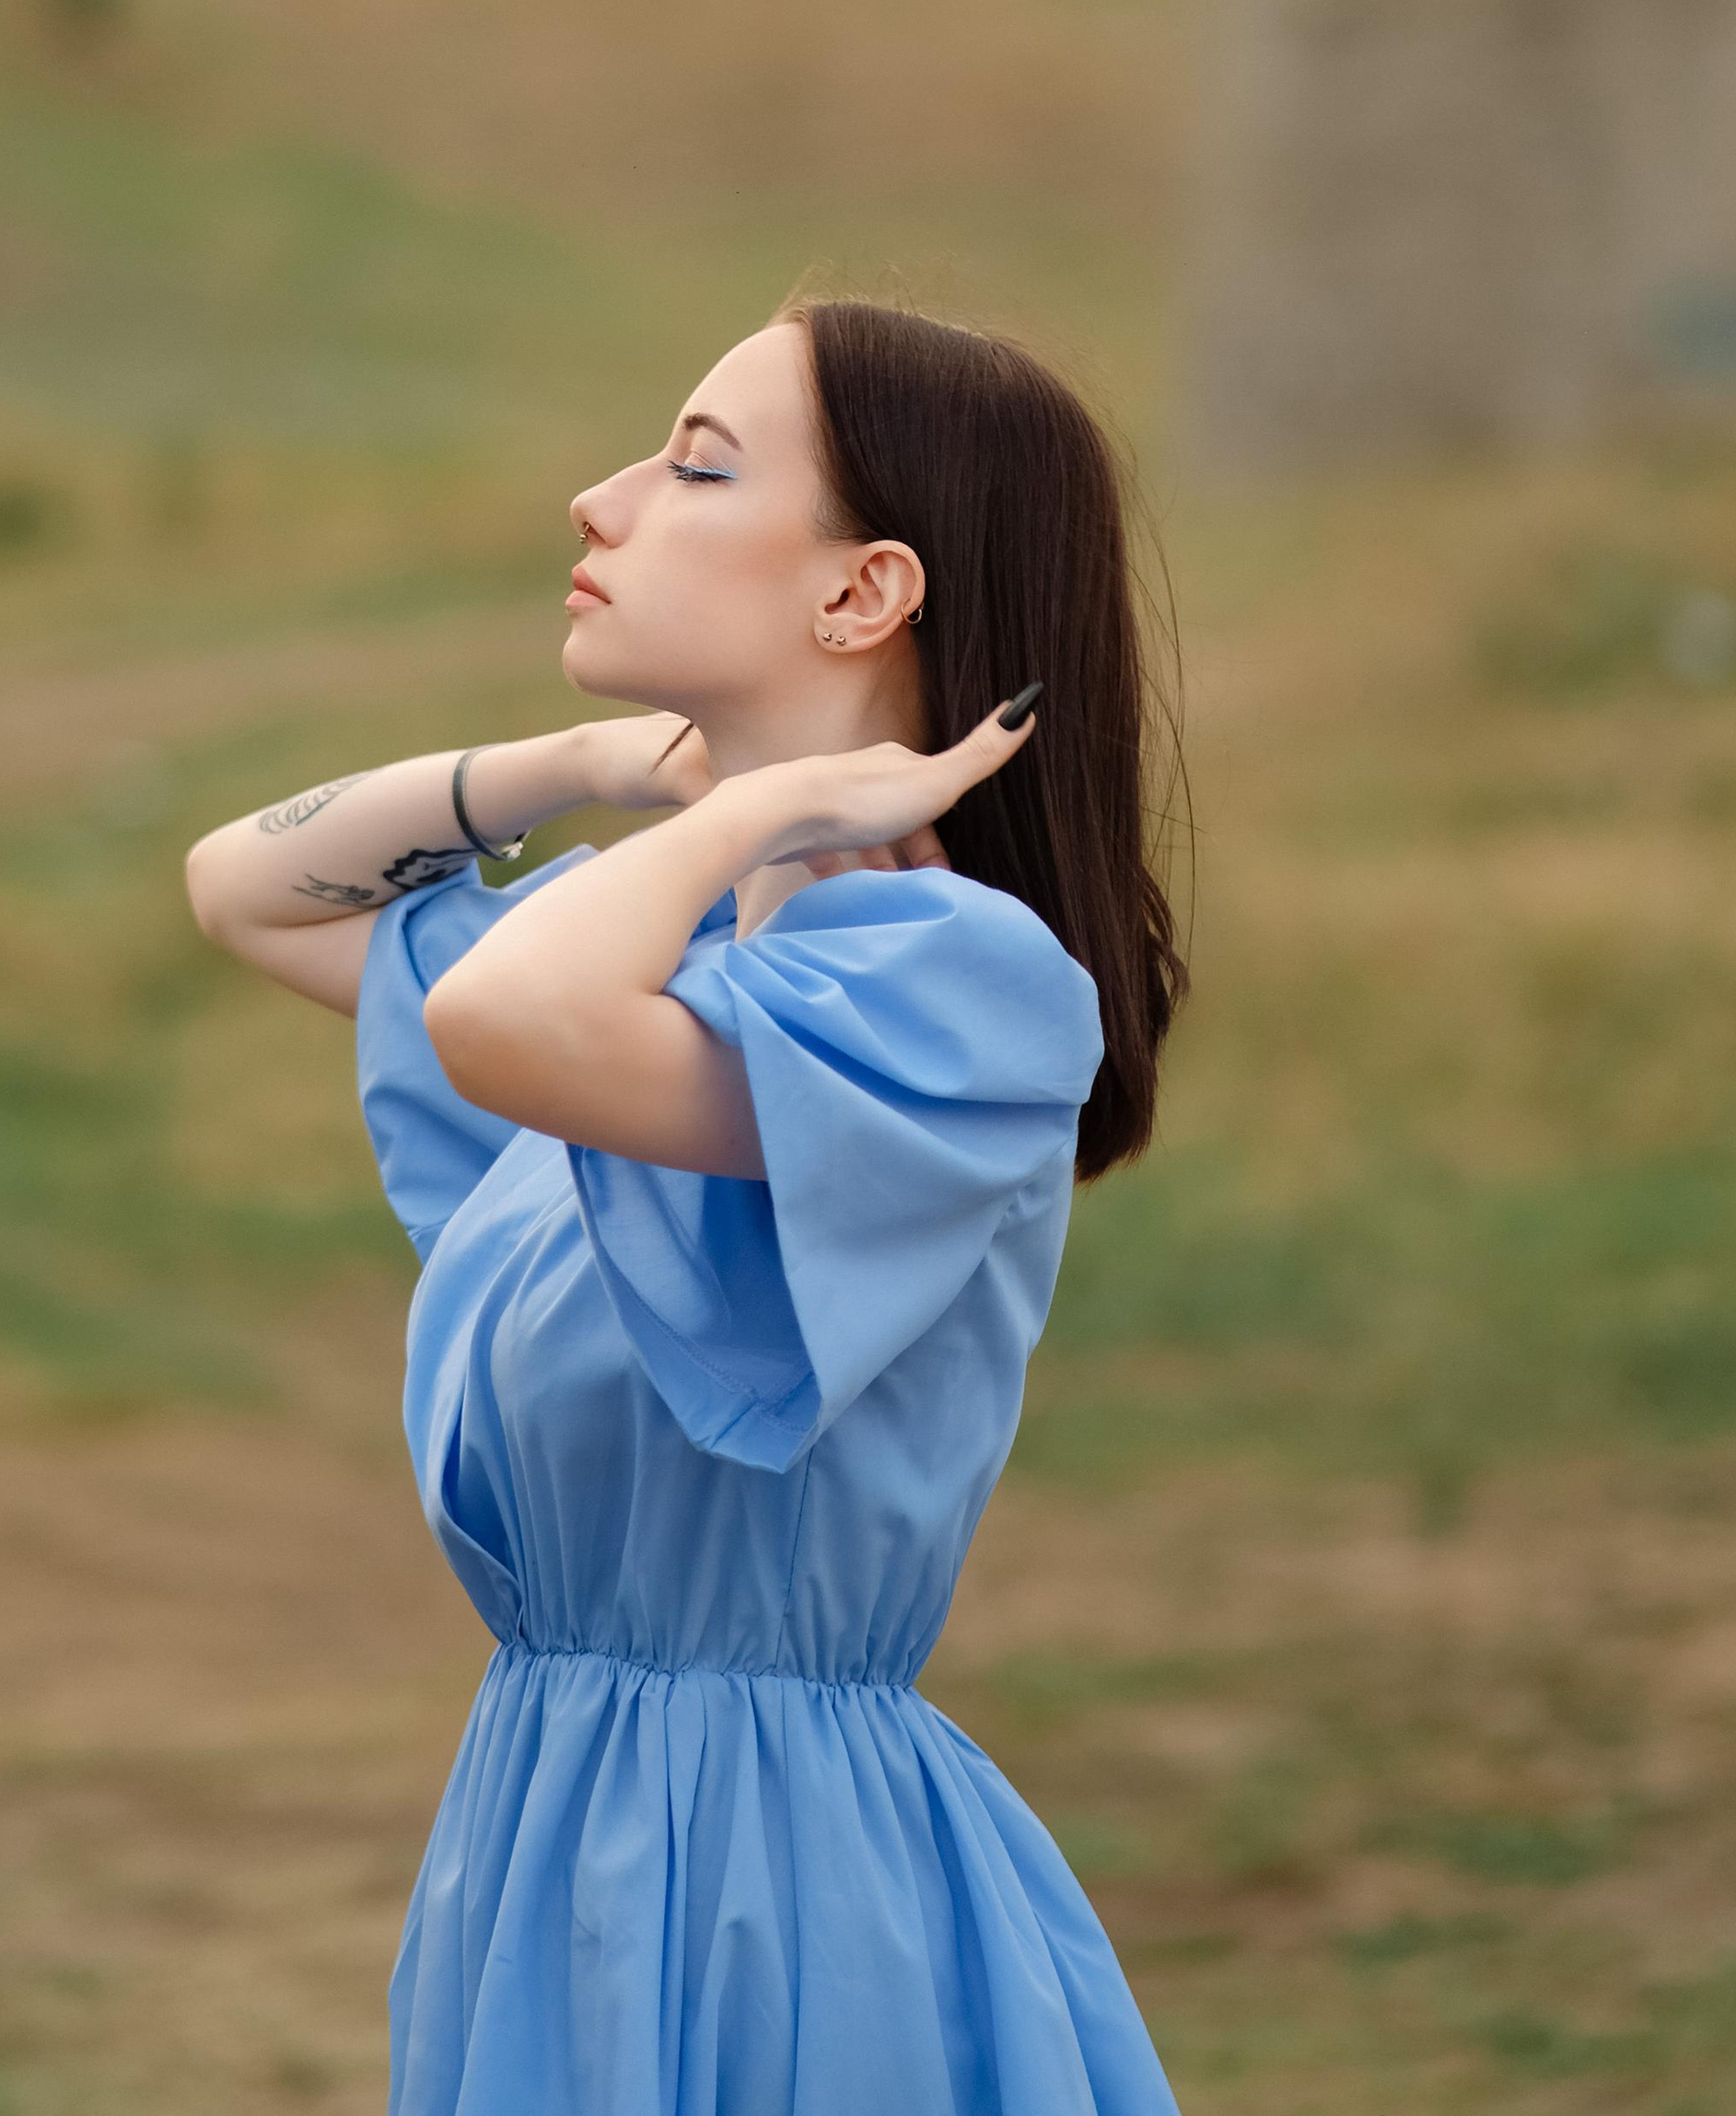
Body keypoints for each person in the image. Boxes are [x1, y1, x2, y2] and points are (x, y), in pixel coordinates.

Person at [184, 295, 1187, 2116]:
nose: (598, 499)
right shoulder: (664, 955)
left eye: (693, 466)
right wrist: (597, 772)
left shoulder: (948, 981)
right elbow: (250, 886)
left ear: (860, 593)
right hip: (548, 1834)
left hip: (771, 1893)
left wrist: (758, 811)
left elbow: (498, 1020)